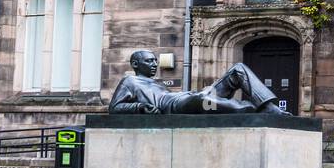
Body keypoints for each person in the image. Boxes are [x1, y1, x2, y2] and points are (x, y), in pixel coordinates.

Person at [108, 50, 291, 115]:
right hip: (172, 107)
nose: (155, 64)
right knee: (201, 99)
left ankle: (266, 106)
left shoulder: (156, 82)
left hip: (183, 98)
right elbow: (115, 108)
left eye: (155, 60)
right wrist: (140, 107)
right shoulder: (130, 80)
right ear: (135, 64)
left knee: (238, 69)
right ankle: (249, 109)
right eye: (149, 61)